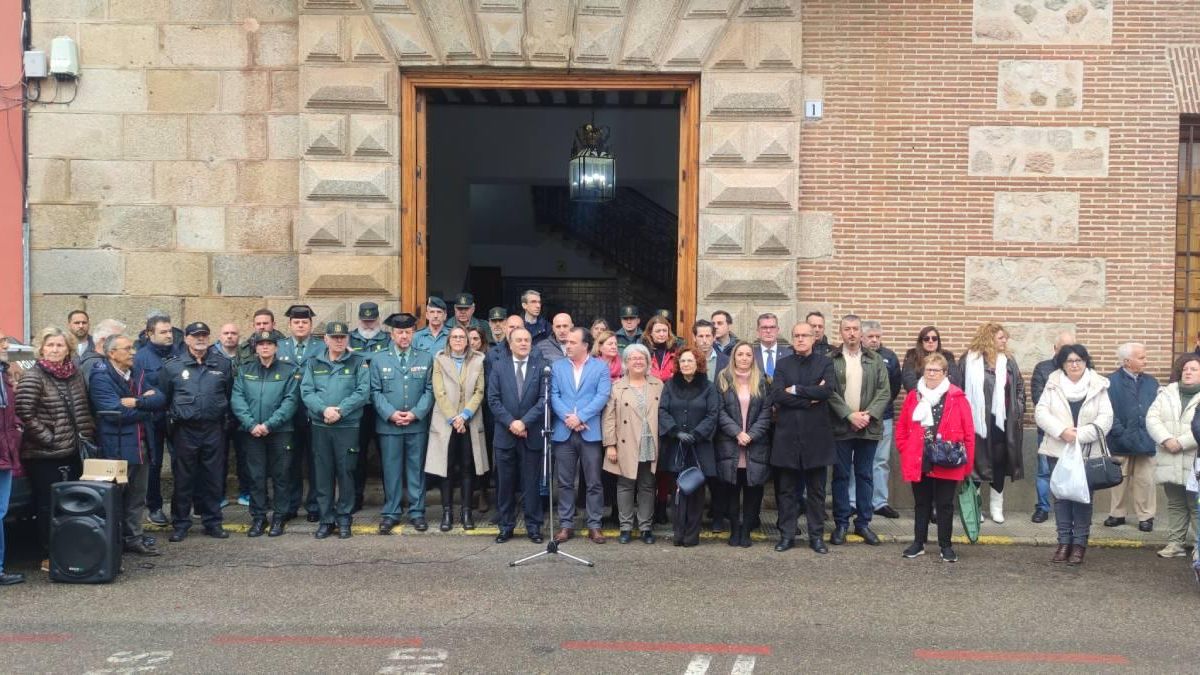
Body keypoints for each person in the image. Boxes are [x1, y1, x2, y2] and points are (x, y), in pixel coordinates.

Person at [15, 327, 95, 569]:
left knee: (72, 504)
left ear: (68, 349)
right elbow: (24, 414)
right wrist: (49, 438)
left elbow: (84, 407)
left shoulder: (76, 374)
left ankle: (69, 550)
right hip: (44, 454)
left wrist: (86, 433)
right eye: (50, 345)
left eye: (59, 345)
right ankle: (48, 554)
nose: (54, 350)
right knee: (48, 505)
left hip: (74, 450)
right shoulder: (34, 376)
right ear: (41, 349)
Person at [1035, 344, 1113, 565]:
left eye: (1079, 360)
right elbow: (1041, 413)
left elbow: (1106, 418)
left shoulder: (1098, 384)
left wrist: (1080, 434)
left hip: (1087, 451)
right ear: (1062, 364)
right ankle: (1063, 543)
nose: (1075, 364)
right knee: (1061, 498)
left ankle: (1079, 545)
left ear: (1086, 362)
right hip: (1058, 449)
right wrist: (1062, 432)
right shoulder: (1053, 383)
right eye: (1070, 361)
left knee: (1082, 499)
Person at [88, 334, 164, 557]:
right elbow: (114, 412)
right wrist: (146, 407)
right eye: (127, 348)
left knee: (137, 496)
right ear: (112, 353)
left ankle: (134, 538)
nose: (133, 352)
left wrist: (139, 402)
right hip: (118, 445)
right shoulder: (101, 376)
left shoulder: (136, 371)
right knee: (116, 497)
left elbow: (160, 397)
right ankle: (113, 540)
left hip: (141, 444)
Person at [158, 322, 234, 542]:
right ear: (187, 339)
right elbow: (165, 396)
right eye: (196, 336)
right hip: (185, 430)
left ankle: (213, 522)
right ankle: (181, 524)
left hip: (214, 429)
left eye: (204, 335)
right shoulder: (172, 366)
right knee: (183, 479)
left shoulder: (222, 363)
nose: (200, 339)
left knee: (213, 478)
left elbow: (228, 394)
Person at [894, 352, 974, 562]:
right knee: (921, 503)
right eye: (928, 369)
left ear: (945, 373)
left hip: (947, 458)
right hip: (919, 457)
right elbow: (902, 426)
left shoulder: (957, 397)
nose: (931, 374)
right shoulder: (914, 396)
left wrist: (967, 466)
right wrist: (904, 448)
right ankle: (918, 543)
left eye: (936, 370)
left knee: (945, 505)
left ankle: (945, 546)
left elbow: (968, 433)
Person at [770, 322, 837, 554]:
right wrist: (810, 396)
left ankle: (816, 537)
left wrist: (795, 390)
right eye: (796, 335)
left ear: (813, 338)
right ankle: (787, 535)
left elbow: (828, 391)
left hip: (816, 437)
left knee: (816, 492)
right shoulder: (782, 364)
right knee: (787, 491)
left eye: (805, 335)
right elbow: (777, 395)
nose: (800, 339)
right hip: (787, 436)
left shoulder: (825, 363)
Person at [301, 322, 370, 539]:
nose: (339, 340)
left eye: (343, 337)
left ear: (348, 339)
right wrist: (324, 410)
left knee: (346, 473)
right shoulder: (314, 363)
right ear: (326, 339)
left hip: (347, 426)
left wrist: (340, 410)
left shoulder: (358, 362)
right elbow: (306, 391)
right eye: (335, 337)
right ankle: (326, 519)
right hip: (321, 426)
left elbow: (363, 391)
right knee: (323, 474)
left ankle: (344, 519)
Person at [230, 329, 301, 538]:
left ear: (276, 347)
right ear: (256, 348)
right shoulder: (245, 370)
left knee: (282, 475)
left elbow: (291, 401)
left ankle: (279, 517)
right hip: (251, 432)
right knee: (256, 476)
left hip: (280, 432)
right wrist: (251, 424)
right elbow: (237, 399)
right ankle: (259, 517)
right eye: (261, 344)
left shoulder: (289, 371)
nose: (265, 347)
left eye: (269, 344)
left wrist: (269, 424)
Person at [827, 314, 890, 546]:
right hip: (841, 426)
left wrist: (867, 415)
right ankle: (841, 523)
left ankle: (863, 523)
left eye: (855, 329)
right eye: (847, 329)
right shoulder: (831, 359)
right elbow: (829, 392)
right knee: (841, 476)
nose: (851, 333)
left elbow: (884, 391)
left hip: (868, 427)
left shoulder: (875, 360)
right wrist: (848, 414)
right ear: (841, 332)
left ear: (861, 333)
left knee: (865, 475)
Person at [371, 313, 435, 534]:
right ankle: (391, 512)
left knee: (416, 470)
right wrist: (390, 414)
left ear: (413, 333)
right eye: (400, 332)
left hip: (416, 425)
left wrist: (416, 413)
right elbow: (375, 391)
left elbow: (430, 390)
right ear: (392, 334)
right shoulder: (379, 359)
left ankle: (417, 512)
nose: (404, 336)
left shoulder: (425, 358)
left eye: (408, 332)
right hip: (389, 426)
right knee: (391, 470)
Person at [956, 321, 1024, 524]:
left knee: (999, 462)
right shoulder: (969, 361)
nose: (1005, 341)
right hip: (976, 421)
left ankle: (996, 506)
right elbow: (958, 389)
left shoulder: (1009, 361)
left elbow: (1019, 388)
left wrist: (1018, 409)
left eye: (1005, 338)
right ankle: (975, 507)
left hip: (1002, 422)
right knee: (976, 462)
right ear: (989, 338)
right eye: (1001, 337)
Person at [549, 327, 612, 544]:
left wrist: (581, 417)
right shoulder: (557, 367)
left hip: (590, 432)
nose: (568, 345)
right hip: (564, 431)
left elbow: (602, 395)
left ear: (585, 345)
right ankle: (566, 525)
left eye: (573, 342)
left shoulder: (600, 367)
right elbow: (553, 395)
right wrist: (568, 418)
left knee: (594, 482)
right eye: (567, 342)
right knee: (565, 482)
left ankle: (594, 525)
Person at [425, 326, 489, 531]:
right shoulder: (439, 359)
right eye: (455, 337)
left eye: (462, 337)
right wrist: (454, 417)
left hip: (470, 421)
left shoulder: (478, 360)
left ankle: (466, 512)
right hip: (446, 422)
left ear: (468, 341)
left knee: (468, 468)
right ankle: (447, 513)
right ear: (449, 340)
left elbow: (480, 391)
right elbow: (439, 391)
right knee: (447, 468)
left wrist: (465, 415)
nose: (459, 340)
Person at [487, 327, 547, 544]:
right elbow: (493, 399)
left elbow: (543, 400)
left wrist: (524, 422)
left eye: (527, 340)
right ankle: (506, 526)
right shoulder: (498, 366)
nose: (523, 343)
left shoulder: (540, 366)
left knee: (531, 483)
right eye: (519, 340)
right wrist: (511, 422)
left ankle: (533, 526)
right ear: (510, 344)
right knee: (505, 484)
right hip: (505, 434)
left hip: (530, 434)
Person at [658, 347, 719, 548]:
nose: (685, 364)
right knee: (678, 492)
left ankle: (692, 536)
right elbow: (663, 411)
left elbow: (713, 414)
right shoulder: (669, 386)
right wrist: (675, 431)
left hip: (699, 447)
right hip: (677, 446)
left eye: (689, 361)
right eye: (682, 361)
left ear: (698, 363)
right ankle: (679, 534)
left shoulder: (709, 387)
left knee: (696, 493)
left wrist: (697, 434)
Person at [603, 343, 663, 544]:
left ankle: (646, 527)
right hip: (626, 442)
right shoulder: (617, 387)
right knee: (625, 484)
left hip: (650, 442)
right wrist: (610, 444)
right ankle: (626, 527)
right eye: (633, 358)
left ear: (647, 362)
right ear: (626, 363)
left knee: (648, 485)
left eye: (642, 358)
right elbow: (609, 417)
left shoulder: (658, 385)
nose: (638, 362)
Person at [714, 342, 772, 548]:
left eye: (748, 354)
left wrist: (751, 434)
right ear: (734, 357)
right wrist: (737, 432)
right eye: (740, 354)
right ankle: (735, 530)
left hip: (755, 445)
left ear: (753, 358)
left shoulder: (763, 381)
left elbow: (767, 413)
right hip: (730, 444)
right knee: (731, 489)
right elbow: (718, 411)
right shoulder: (723, 378)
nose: (744, 358)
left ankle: (746, 528)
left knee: (752, 491)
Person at [1146, 354, 1200, 558]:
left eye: (1194, 369)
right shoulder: (1166, 393)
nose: (1188, 372)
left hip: (1194, 458)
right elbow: (1152, 418)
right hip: (1169, 456)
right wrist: (1166, 439)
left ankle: (1198, 547)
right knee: (1176, 503)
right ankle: (1175, 543)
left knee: (1196, 505)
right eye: (1185, 369)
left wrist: (1182, 442)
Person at [1104, 342, 1159, 532]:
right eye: (1141, 357)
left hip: (1146, 440)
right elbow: (1107, 412)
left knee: (1145, 481)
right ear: (1127, 361)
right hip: (1119, 440)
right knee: (1118, 480)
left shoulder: (1152, 382)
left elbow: (1156, 411)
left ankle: (1146, 516)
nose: (1146, 361)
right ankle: (1117, 514)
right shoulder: (1110, 382)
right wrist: (1121, 433)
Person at [132, 313, 181, 526]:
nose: (169, 335)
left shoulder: (180, 353)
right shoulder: (140, 357)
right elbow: (141, 389)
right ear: (150, 333)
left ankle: (181, 507)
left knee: (182, 462)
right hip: (152, 418)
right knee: (154, 464)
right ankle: (154, 506)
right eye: (163, 332)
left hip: (178, 417)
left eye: (170, 331)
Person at [278, 304, 322, 523]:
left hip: (313, 411)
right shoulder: (280, 346)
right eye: (296, 322)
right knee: (289, 461)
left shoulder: (321, 346)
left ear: (311, 325)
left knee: (315, 460)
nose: (301, 325)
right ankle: (290, 505)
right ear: (290, 325)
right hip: (287, 412)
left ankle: (314, 504)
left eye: (305, 322)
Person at [1028, 330, 1075, 523]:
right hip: (1048, 431)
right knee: (1045, 472)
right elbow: (1039, 400)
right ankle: (1043, 508)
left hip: (1074, 433)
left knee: (1072, 471)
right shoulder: (1043, 368)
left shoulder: (1082, 368)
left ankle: (1068, 510)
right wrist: (1058, 426)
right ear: (1055, 349)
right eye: (1064, 347)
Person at [350, 301, 389, 514]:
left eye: (372, 320)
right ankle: (356, 497)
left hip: (382, 404)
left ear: (378, 319)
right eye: (364, 320)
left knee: (387, 455)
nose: (368, 324)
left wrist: (360, 356)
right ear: (359, 319)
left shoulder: (387, 339)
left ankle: (390, 499)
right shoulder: (348, 337)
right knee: (358, 454)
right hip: (359, 406)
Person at [861, 320, 902, 520]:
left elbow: (894, 388)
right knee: (855, 461)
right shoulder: (854, 355)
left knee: (881, 460)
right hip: (857, 418)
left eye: (878, 337)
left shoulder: (889, 357)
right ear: (862, 337)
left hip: (883, 417)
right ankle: (853, 501)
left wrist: (877, 408)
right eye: (871, 337)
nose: (875, 340)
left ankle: (879, 502)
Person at [693, 318, 730, 530]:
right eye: (701, 336)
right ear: (694, 337)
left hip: (721, 427)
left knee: (719, 475)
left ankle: (718, 516)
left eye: (709, 336)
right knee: (697, 473)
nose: (705, 340)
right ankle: (695, 518)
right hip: (697, 427)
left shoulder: (726, 361)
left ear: (715, 337)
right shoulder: (687, 359)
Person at [0, 331, 22, 585]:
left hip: (5, 451)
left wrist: (17, 429)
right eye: (1, 342)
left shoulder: (5, 374)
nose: (6, 345)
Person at [900, 326, 957, 393]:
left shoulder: (947, 356)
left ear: (938, 341)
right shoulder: (912, 356)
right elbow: (909, 382)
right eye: (926, 339)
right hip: (918, 397)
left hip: (944, 397)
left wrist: (936, 392)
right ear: (921, 341)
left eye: (934, 338)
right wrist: (928, 393)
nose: (930, 341)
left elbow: (954, 379)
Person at [752, 312, 792, 380]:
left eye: (772, 327)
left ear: (777, 330)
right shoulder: (751, 354)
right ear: (758, 331)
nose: (768, 331)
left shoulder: (789, 354)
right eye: (764, 327)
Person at [641, 315, 678, 382]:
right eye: (658, 331)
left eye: (664, 331)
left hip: (670, 387)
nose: (662, 334)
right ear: (650, 333)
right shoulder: (642, 351)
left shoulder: (675, 349)